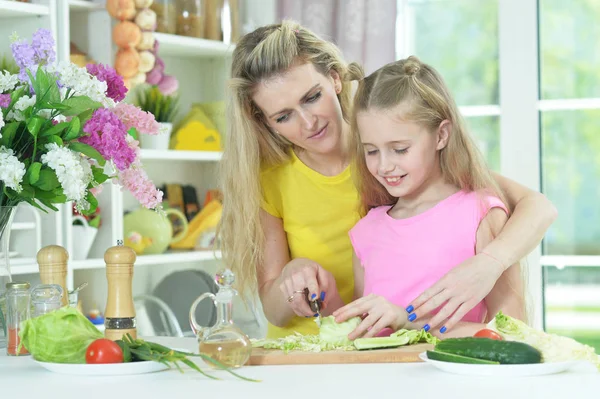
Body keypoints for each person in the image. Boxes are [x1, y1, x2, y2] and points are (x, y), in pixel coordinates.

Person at [218, 20, 556, 339]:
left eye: (311, 97)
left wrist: (488, 264)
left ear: (335, 79)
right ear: (263, 121)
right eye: (283, 116)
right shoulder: (273, 182)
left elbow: (537, 207)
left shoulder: (410, 164)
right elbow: (279, 311)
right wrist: (292, 278)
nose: (308, 123)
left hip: (394, 348)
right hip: (319, 350)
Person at [332, 57, 526, 339]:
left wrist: (407, 320)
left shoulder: (480, 214)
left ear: (441, 136)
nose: (384, 165)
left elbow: (515, 335)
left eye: (399, 149)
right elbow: (363, 335)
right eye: (371, 151)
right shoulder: (365, 232)